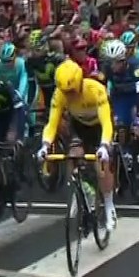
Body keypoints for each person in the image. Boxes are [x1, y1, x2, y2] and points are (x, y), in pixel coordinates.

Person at [40, 60, 117, 230]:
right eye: (65, 92)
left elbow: (106, 122)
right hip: (79, 126)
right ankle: (79, 189)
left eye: (71, 92)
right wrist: (45, 145)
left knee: (101, 165)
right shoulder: (59, 94)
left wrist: (104, 145)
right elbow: (52, 123)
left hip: (99, 126)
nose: (69, 96)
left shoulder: (96, 89)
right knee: (73, 155)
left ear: (80, 83)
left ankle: (109, 205)